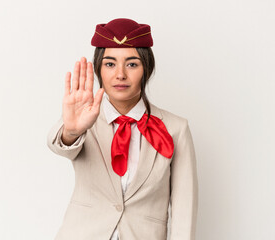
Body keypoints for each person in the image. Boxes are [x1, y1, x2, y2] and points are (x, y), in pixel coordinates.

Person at [47, 18, 198, 240]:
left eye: (132, 64)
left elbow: (185, 208)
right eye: (110, 64)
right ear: (98, 68)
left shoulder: (176, 128)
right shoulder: (84, 119)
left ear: (146, 68)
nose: (120, 74)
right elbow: (60, 145)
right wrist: (71, 132)